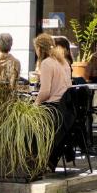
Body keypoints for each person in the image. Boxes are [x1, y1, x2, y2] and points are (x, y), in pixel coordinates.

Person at [32, 34, 74, 171]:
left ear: (39, 48)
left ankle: (36, 160)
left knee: (26, 122)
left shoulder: (46, 63)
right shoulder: (63, 61)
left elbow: (45, 92)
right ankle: (48, 160)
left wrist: (35, 104)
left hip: (54, 109)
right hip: (67, 110)